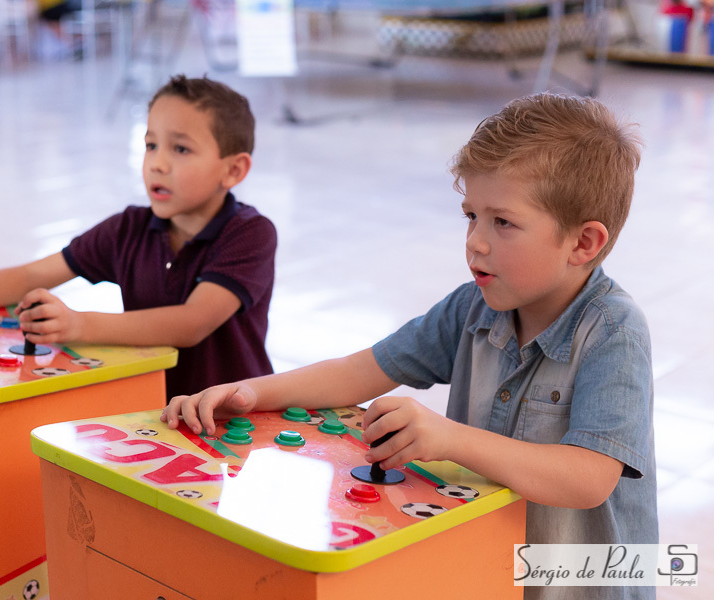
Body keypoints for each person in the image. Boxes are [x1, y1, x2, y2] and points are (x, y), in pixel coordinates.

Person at [162, 93, 657, 599]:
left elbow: (589, 478)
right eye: (471, 216)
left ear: (583, 243)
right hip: (493, 573)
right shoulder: (473, 307)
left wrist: (448, 438)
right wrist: (247, 392)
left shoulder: (613, 332)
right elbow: (360, 370)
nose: (475, 242)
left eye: (502, 222)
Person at [0, 74, 277, 398]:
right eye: (151, 145)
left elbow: (192, 323)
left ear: (233, 171)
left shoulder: (250, 234)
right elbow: (30, 276)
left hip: (235, 419)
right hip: (156, 410)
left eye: (180, 148)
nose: (157, 163)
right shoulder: (129, 228)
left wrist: (78, 325)